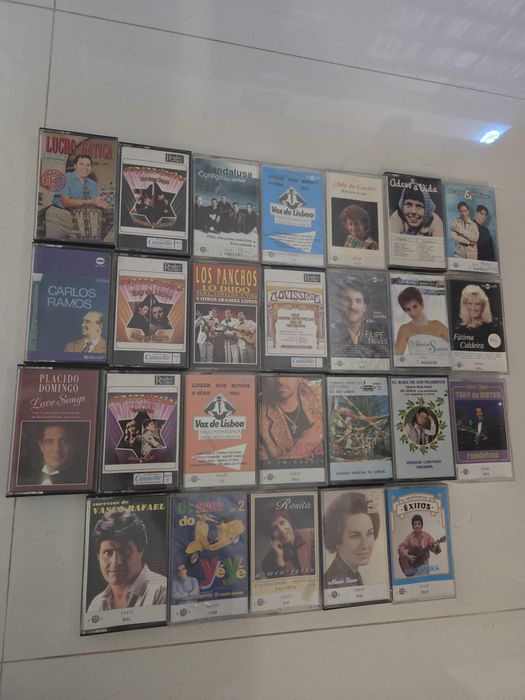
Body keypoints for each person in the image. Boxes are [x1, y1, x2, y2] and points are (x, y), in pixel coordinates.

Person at [87, 510, 167, 611]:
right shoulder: (96, 604)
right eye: (108, 553)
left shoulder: (162, 591)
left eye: (125, 551)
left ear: (141, 551)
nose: (116, 562)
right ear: (98, 557)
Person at [259, 376, 324, 464]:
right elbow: (267, 468)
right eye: (273, 374)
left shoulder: (319, 394)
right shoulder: (258, 419)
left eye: (286, 374)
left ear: (300, 377)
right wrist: (301, 449)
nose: (280, 381)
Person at [323, 491, 380, 587]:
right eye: (355, 536)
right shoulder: (334, 583)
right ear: (336, 540)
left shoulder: (352, 574)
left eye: (369, 533)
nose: (365, 545)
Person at [45, 154, 108, 239]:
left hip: (77, 218)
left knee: (77, 245)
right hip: (58, 216)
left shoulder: (93, 184)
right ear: (75, 166)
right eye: (81, 164)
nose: (85, 167)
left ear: (91, 167)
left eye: (88, 165)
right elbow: (66, 203)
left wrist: (100, 203)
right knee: (54, 245)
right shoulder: (64, 177)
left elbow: (93, 204)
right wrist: (92, 202)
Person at [330, 279, 387, 357]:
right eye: (347, 300)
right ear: (338, 304)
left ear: (365, 307)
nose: (353, 306)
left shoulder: (379, 331)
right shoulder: (331, 332)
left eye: (358, 301)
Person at [19, 423, 84, 486]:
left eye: (63, 442)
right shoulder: (23, 481)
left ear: (73, 446)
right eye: (49, 442)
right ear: (41, 446)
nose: (57, 449)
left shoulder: (81, 480)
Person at [394, 286, 449, 356]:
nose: (413, 313)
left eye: (415, 306)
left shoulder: (437, 325)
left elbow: (455, 344)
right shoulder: (404, 329)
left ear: (422, 304)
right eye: (408, 309)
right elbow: (397, 357)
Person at [260, 509, 315, 578]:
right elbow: (282, 584)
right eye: (274, 529)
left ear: (289, 522)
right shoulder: (268, 562)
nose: (281, 530)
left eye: (282, 523)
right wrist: (280, 560)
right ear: (271, 536)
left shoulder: (311, 536)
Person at [455, 284, 499, 348]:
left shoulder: (494, 326)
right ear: (465, 305)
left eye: (477, 304)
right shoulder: (459, 328)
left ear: (483, 306)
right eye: (470, 303)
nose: (473, 308)